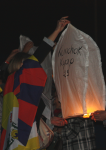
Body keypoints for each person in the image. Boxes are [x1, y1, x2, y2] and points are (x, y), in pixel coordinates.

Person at [0, 16, 70, 150]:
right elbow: (40, 53)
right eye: (28, 64)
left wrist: (49, 120)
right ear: (22, 64)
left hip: (13, 139)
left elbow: (32, 112)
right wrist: (57, 30)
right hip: (22, 141)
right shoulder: (15, 80)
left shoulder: (10, 83)